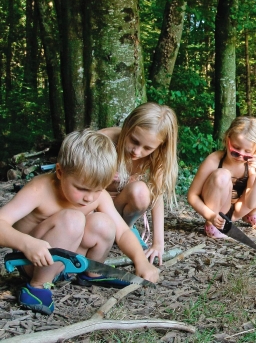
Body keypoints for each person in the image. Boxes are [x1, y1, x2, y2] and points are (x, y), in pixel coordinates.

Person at [0, 129, 159, 315]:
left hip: (65, 259)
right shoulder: (39, 189)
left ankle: (93, 272)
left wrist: (141, 261)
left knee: (104, 222)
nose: (89, 198)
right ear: (60, 172)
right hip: (33, 261)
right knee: (72, 219)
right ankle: (38, 286)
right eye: (82, 189)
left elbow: (123, 232)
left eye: (98, 189)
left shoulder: (97, 196)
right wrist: (27, 244)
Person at [99, 103, 178, 265]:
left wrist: (158, 244)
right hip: (95, 204)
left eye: (147, 148)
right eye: (134, 141)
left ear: (159, 146)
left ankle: (125, 229)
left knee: (141, 192)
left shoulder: (157, 156)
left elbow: (157, 195)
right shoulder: (103, 140)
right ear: (127, 127)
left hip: (119, 204)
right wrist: (102, 177)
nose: (137, 151)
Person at [187, 116, 256, 239]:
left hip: (239, 209)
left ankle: (250, 215)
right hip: (216, 210)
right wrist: (210, 216)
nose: (240, 156)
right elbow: (192, 196)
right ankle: (213, 226)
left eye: (247, 152)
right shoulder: (214, 160)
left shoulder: (250, 166)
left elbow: (251, 202)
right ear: (228, 139)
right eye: (236, 149)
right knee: (222, 175)